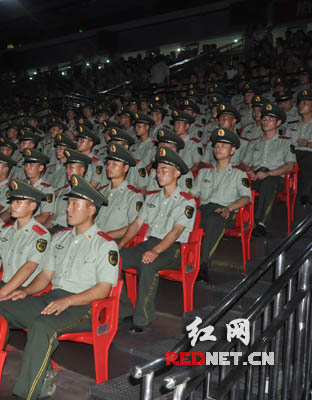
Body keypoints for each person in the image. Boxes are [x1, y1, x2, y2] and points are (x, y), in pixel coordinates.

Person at [0, 174, 118, 399]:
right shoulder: (59, 238)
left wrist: (68, 301)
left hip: (83, 305)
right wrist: (27, 291)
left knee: (42, 326)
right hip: (53, 297)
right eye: (68, 203)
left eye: (75, 205)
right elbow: (45, 276)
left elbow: (103, 290)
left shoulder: (105, 245)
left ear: (91, 210)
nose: (68, 209)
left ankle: (29, 394)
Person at [117, 147, 196, 333]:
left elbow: (176, 232)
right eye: (158, 170)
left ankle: (142, 320)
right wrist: (120, 245)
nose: (159, 174)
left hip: (173, 249)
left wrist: (156, 251)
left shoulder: (186, 201)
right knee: (114, 259)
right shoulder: (152, 198)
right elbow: (136, 224)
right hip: (149, 243)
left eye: (164, 170)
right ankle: (125, 308)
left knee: (148, 264)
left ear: (177, 173)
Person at [0, 178, 50, 304]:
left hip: (22, 290)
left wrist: (2, 292)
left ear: (32, 206)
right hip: (4, 284)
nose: (12, 205)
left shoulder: (41, 235)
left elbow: (29, 268)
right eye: (12, 202)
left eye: (18, 202)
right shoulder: (6, 231)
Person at [191, 128, 252, 282]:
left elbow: (246, 198)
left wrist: (229, 208)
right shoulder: (204, 172)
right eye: (216, 145)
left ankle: (203, 264)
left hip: (225, 211)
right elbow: (193, 195)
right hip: (204, 209)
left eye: (223, 146)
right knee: (190, 218)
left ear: (233, 151)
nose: (218, 149)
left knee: (214, 219)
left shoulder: (239, 174)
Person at [244, 103, 296, 237]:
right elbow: (244, 163)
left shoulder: (286, 142)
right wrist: (248, 171)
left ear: (278, 122)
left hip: (276, 176)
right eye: (264, 119)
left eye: (270, 119)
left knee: (269, 183)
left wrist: (269, 173)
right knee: (240, 182)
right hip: (255, 174)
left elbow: (290, 165)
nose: (266, 122)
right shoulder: (254, 142)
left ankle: (261, 223)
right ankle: (238, 220)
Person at [97, 144, 143, 240]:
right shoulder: (101, 191)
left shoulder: (133, 196)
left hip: (113, 241)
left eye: (114, 164)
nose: (109, 167)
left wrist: (105, 236)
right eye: (108, 163)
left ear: (125, 168)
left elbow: (133, 226)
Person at [288, 89, 312, 206]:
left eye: (305, 103)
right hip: (293, 153)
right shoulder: (292, 124)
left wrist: (308, 144)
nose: (301, 106)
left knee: (308, 160)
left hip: (309, 153)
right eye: (300, 103)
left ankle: (306, 195)